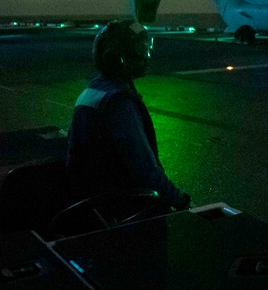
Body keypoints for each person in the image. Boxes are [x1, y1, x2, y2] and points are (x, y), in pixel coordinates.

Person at [66, 19, 192, 215]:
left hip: (93, 206)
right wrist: (181, 201)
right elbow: (146, 170)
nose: (147, 57)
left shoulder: (91, 91)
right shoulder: (119, 102)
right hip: (121, 210)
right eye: (141, 50)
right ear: (117, 58)